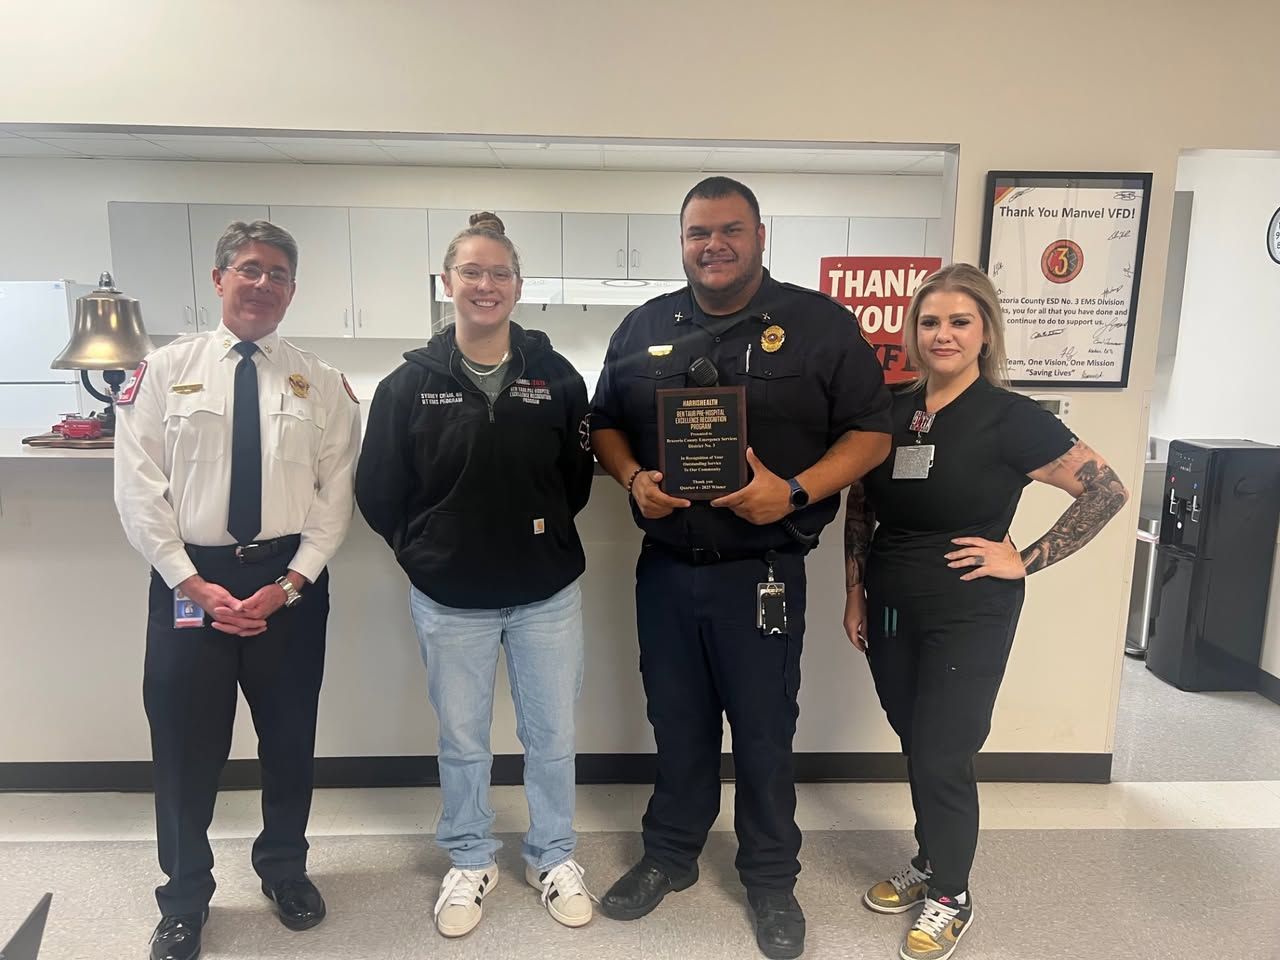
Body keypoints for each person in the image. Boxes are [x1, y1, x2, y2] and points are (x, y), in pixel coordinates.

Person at [591, 176, 892, 960]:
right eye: (698, 232)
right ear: (681, 240)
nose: (713, 244)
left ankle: (769, 878)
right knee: (677, 723)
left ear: (761, 237)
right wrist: (632, 480)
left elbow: (872, 432)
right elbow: (605, 426)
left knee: (763, 732)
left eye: (729, 230)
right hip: (666, 570)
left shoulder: (820, 326)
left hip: (762, 570)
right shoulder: (644, 327)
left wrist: (791, 491)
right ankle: (670, 855)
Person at [843, 263, 1128, 960]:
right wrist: (854, 588)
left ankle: (953, 893)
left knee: (945, 750)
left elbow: (1107, 490)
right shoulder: (893, 409)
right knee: (916, 739)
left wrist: (1023, 558)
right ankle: (930, 858)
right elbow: (864, 502)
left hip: (969, 611)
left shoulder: (1012, 417)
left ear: (985, 332)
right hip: (889, 606)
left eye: (959, 321)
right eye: (931, 321)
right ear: (913, 331)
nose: (943, 334)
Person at [113, 220, 362, 960]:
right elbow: (138, 490)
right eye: (249, 269)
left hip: (287, 582)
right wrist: (192, 580)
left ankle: (285, 869)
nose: (263, 285)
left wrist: (291, 583)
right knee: (186, 749)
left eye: (278, 274)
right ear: (220, 279)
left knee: (289, 741)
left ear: (292, 290)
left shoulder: (320, 382)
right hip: (192, 580)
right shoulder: (163, 371)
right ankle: (185, 898)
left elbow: (334, 495)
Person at [356, 212, 595, 938]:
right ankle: (470, 856)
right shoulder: (407, 385)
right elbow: (379, 489)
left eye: (498, 274)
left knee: (550, 734)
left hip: (544, 594)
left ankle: (552, 854)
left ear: (518, 287)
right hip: (449, 598)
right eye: (471, 273)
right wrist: (426, 547)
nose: (485, 286)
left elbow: (573, 480)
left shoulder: (556, 378)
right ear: (447, 283)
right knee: (463, 740)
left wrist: (540, 532)